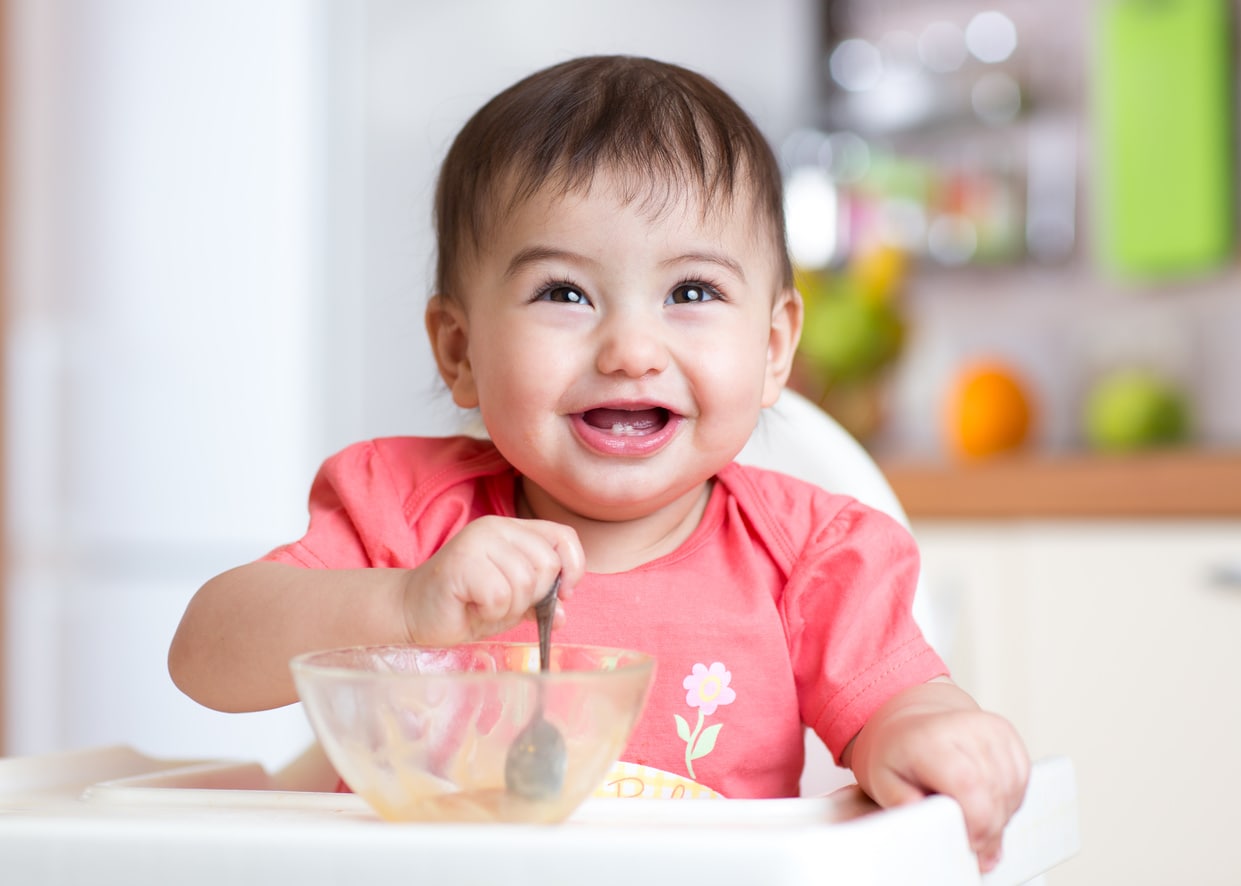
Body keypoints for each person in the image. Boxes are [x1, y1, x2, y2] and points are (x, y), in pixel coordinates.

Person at [168, 55, 1028, 871]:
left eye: (691, 292)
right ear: (459, 350)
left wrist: (929, 733)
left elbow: (899, 707)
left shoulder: (811, 556)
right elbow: (204, 655)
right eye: (563, 293)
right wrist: (401, 603)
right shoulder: (401, 516)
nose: (629, 351)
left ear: (772, 349)